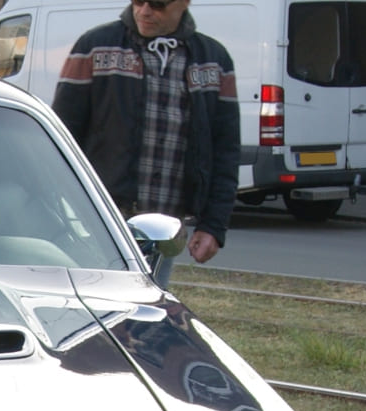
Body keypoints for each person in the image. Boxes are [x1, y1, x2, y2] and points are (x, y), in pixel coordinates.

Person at [51, 0, 238, 286]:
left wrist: (213, 224)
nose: (145, 11)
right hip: (101, 218)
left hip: (165, 225)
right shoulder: (94, 46)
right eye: (138, 1)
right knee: (97, 304)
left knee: (147, 309)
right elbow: (62, 136)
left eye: (159, 4)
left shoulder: (214, 60)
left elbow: (225, 148)